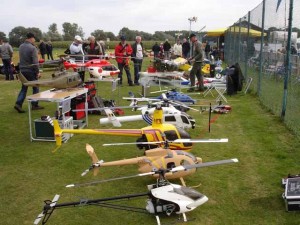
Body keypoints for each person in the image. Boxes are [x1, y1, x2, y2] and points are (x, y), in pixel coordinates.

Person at [14, 33, 43, 113]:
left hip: (22, 70)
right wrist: (37, 72)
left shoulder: (21, 46)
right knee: (36, 87)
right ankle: (34, 104)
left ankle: (18, 104)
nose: (34, 41)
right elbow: (35, 62)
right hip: (30, 70)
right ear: (31, 38)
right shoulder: (32, 48)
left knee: (24, 88)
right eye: (34, 39)